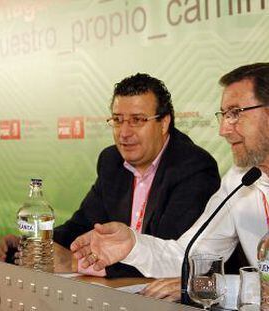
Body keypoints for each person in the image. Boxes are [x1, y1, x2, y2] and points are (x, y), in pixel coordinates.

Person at [71, 62, 269, 299]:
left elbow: (207, 280)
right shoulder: (239, 180)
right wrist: (133, 246)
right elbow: (189, 257)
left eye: (236, 113)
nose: (223, 130)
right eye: (224, 115)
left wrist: (213, 285)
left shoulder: (194, 166)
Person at [0, 73, 220, 278]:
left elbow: (168, 256)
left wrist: (75, 263)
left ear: (164, 123)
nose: (124, 132)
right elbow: (82, 224)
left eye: (137, 120)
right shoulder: (111, 161)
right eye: (118, 120)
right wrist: (35, 245)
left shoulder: (194, 168)